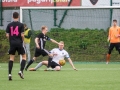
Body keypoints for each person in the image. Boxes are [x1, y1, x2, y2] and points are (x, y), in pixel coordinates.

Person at [6, 12, 26, 81]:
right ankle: (20, 71)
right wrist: (23, 41)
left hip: (12, 43)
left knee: (11, 58)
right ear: (18, 16)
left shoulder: (9, 25)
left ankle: (9, 74)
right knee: (24, 56)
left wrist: (10, 41)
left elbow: (7, 35)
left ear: (12, 16)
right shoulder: (21, 25)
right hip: (19, 43)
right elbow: (22, 35)